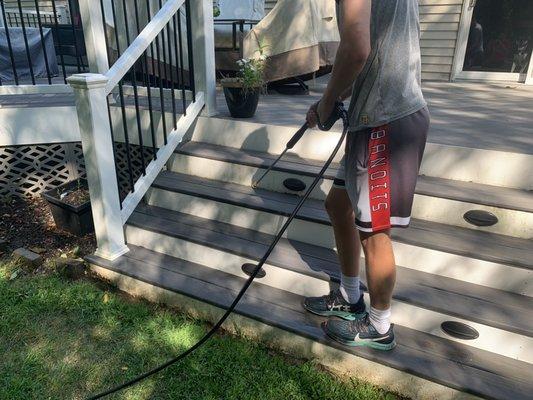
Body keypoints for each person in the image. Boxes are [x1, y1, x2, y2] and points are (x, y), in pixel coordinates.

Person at [304, 0, 430, 351]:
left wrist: (327, 102)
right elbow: (368, 56)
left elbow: (357, 49)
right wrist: (326, 103)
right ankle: (349, 294)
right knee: (337, 205)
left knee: (374, 231)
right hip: (374, 115)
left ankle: (379, 325)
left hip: (384, 120)